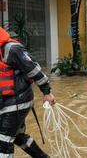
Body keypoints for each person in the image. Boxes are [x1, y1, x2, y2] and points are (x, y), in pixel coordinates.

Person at [0, 27, 56, 157]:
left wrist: (46, 92)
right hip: (5, 101)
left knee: (3, 140)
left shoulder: (12, 49)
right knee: (17, 137)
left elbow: (34, 70)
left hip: (19, 99)